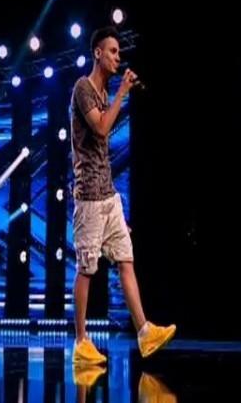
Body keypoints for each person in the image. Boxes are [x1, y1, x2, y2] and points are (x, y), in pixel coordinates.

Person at [70, 26, 176, 364]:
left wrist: (117, 95)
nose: (118, 57)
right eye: (113, 51)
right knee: (87, 268)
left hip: (109, 194)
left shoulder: (103, 93)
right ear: (98, 53)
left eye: (119, 52)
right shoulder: (83, 88)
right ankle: (81, 342)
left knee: (126, 260)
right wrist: (123, 93)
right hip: (89, 195)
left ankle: (144, 331)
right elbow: (101, 128)